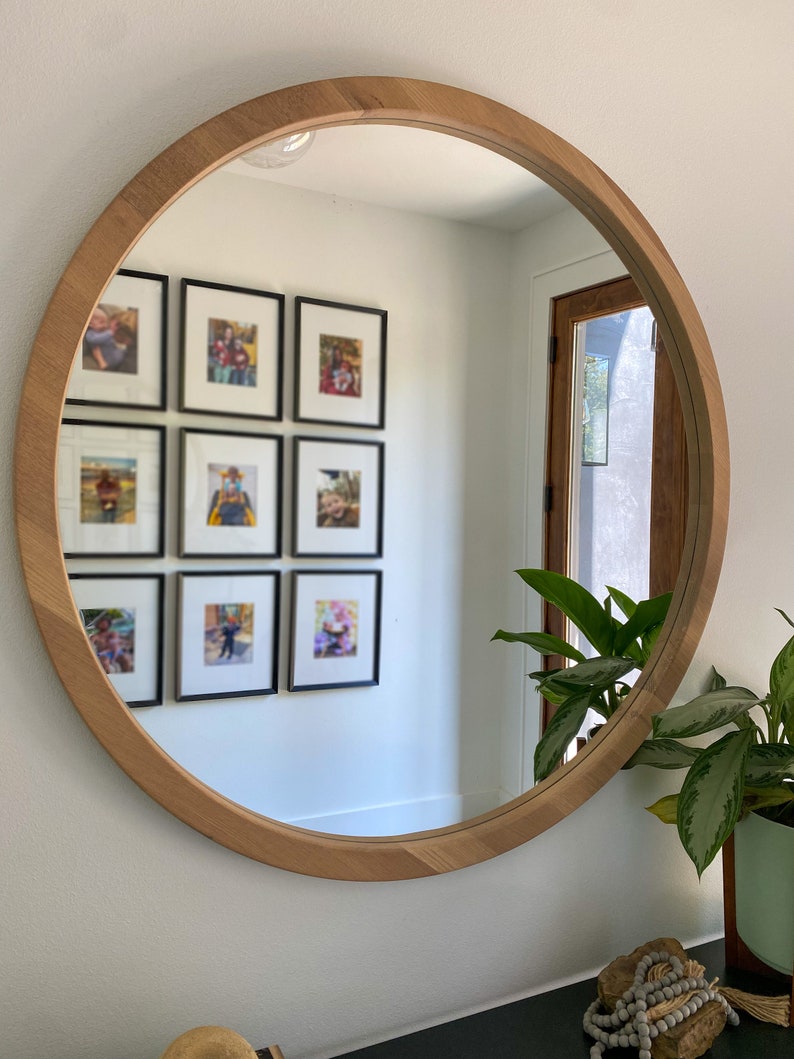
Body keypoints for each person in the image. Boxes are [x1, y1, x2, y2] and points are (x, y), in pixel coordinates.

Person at [84, 307, 129, 371]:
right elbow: (93, 340)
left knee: (125, 352)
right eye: (101, 322)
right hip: (108, 358)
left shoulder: (104, 331)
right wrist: (110, 332)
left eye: (106, 322)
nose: (105, 325)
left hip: (115, 351)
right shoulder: (90, 334)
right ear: (90, 323)